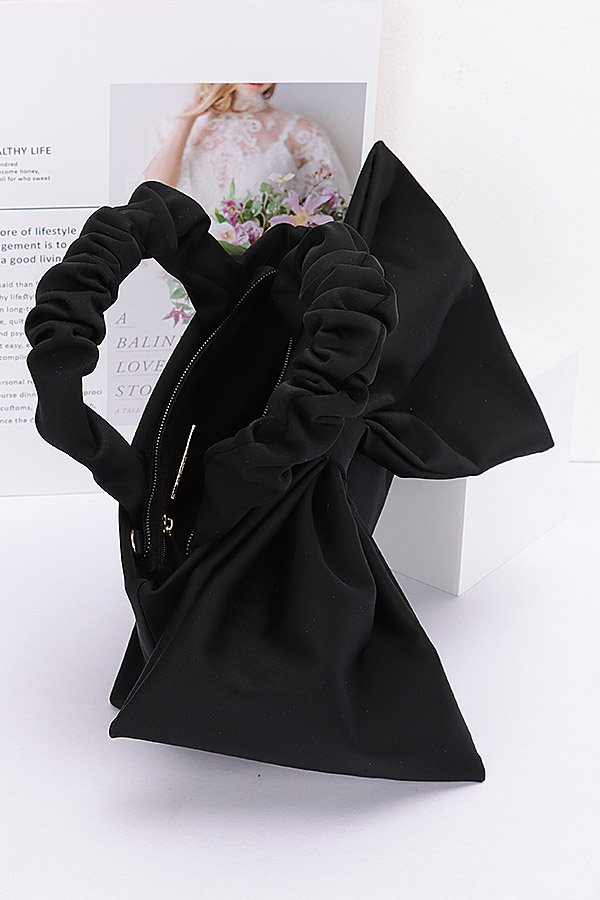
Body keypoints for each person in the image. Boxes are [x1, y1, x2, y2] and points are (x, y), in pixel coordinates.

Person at [142, 82, 351, 237]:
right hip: (188, 275)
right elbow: (156, 190)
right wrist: (190, 112)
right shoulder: (173, 128)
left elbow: (333, 219)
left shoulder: (299, 131)